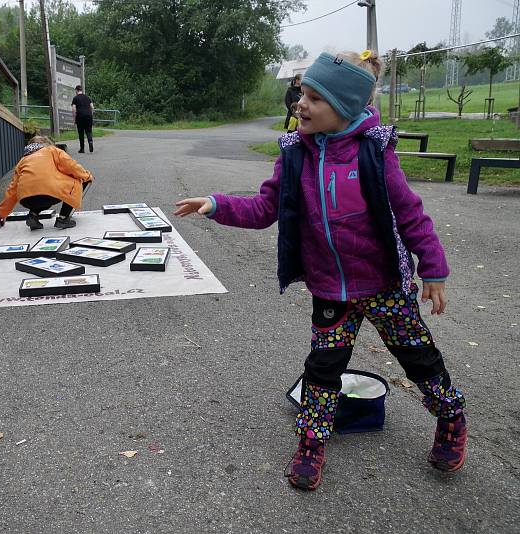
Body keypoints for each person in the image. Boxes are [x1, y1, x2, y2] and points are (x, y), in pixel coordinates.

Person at [174, 51, 466, 491]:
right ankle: (311, 441)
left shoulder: (374, 152)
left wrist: (434, 269)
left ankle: (451, 419)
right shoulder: (295, 155)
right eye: (301, 94)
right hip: (330, 289)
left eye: (314, 97)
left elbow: (410, 215)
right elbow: (265, 207)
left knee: (419, 360)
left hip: (386, 285)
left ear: (345, 107)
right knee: (323, 368)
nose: (300, 104)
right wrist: (216, 204)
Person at [0, 136, 93, 230]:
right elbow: (71, 166)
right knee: (76, 181)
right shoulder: (51, 150)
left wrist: (2, 213)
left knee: (43, 194)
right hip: (48, 193)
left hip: (26, 198)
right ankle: (63, 218)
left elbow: (12, 190)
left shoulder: (22, 161)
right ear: (48, 145)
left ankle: (33, 215)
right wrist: (86, 176)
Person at [71, 85, 94, 153]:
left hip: (80, 116)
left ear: (76, 90)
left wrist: (74, 118)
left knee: (81, 133)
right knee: (89, 131)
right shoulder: (88, 97)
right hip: (89, 116)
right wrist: (91, 115)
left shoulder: (75, 98)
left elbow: (74, 109)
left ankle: (82, 149)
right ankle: (90, 142)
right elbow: (92, 107)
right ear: (81, 90)